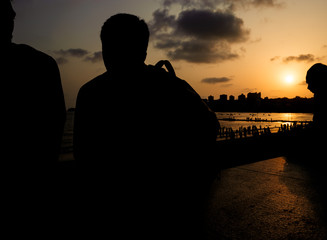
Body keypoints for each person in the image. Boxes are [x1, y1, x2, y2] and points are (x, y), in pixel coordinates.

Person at [74, 13, 220, 238]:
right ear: (144, 50)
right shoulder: (172, 86)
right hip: (167, 211)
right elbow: (210, 126)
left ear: (104, 49)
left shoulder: (89, 93)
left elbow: (83, 157)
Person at [1, 1, 66, 173]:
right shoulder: (42, 64)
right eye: (8, 15)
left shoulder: (42, 65)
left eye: (11, 16)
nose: (11, 20)